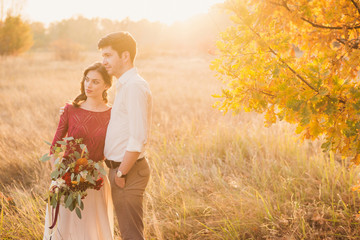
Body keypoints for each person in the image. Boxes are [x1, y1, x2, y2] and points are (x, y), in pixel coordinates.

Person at [43, 62, 114, 240]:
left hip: (94, 179)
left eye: (95, 82)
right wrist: (58, 177)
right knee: (65, 229)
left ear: (107, 85)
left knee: (91, 228)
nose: (88, 85)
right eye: (87, 79)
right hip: (66, 178)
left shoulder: (113, 114)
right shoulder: (70, 109)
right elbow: (55, 147)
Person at [98, 31, 152, 240]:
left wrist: (121, 173)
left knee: (131, 234)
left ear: (125, 56)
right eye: (103, 56)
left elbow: (138, 137)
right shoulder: (124, 85)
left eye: (108, 55)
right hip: (122, 170)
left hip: (127, 171)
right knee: (128, 231)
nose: (104, 61)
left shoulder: (134, 87)